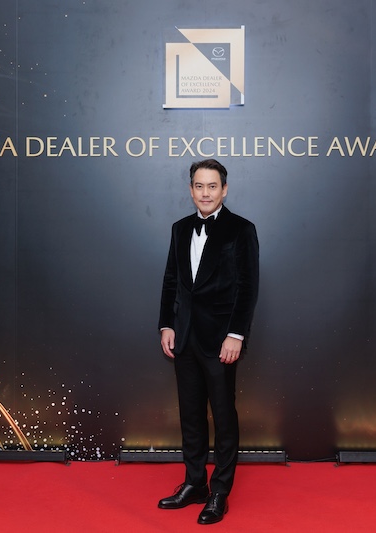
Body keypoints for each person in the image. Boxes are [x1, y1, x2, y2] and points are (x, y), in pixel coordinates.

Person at [157, 158, 259, 525]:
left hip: (220, 340)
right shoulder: (180, 228)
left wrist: (236, 334)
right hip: (184, 337)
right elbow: (171, 280)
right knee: (191, 415)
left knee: (224, 416)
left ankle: (219, 492)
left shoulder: (241, 229)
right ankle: (195, 483)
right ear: (191, 190)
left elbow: (248, 287)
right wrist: (166, 325)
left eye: (212, 186)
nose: (205, 193)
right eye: (199, 186)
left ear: (224, 190)